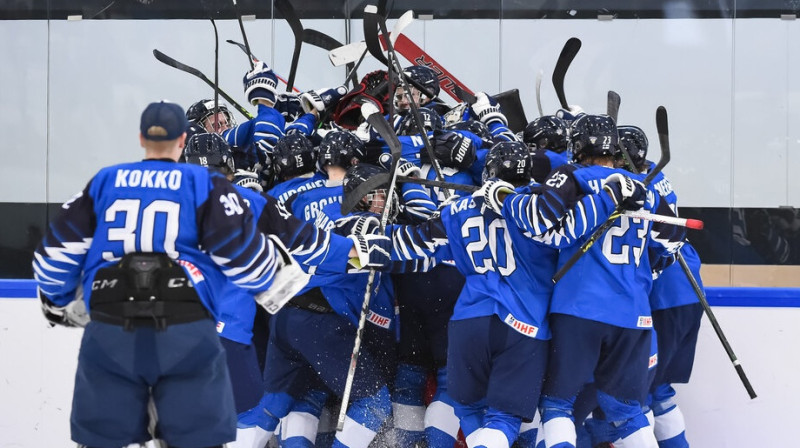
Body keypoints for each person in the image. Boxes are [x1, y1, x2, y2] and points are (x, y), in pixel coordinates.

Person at [32, 101, 294, 448]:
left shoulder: (108, 183)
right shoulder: (212, 195)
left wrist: (60, 298)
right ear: (183, 139)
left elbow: (51, 260)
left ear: (142, 138)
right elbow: (262, 267)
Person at [536, 115, 685, 448]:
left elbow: (542, 222)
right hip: (633, 315)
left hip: (579, 309)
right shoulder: (641, 187)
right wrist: (649, 268)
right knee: (628, 411)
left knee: (557, 404)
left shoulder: (574, 176)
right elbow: (675, 237)